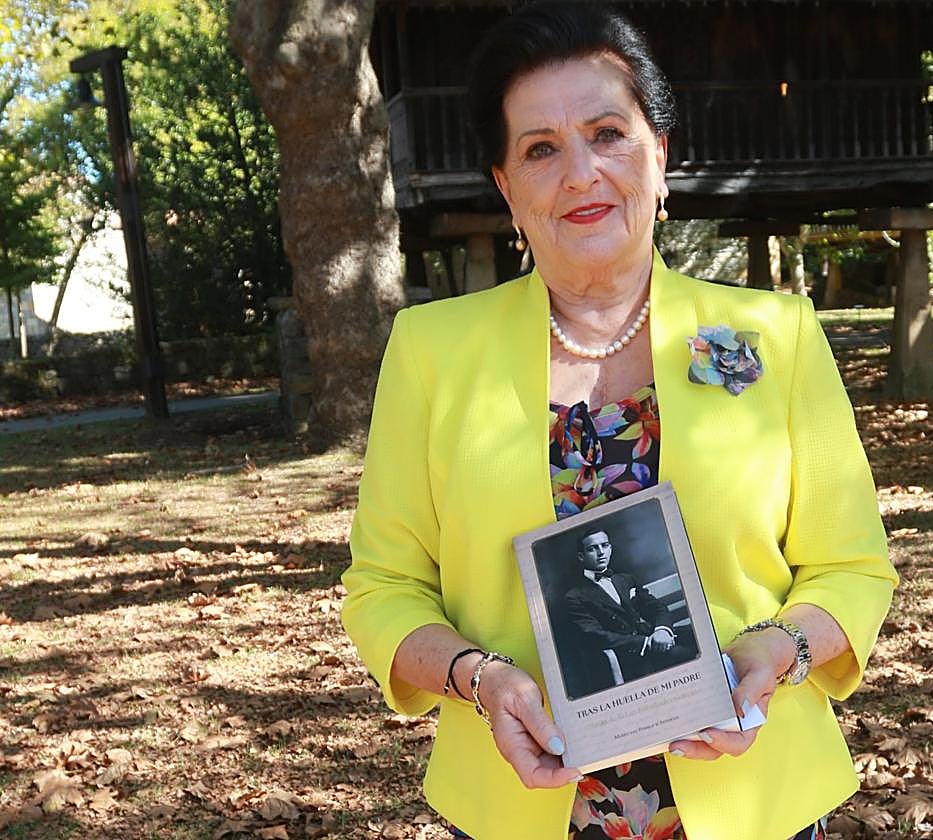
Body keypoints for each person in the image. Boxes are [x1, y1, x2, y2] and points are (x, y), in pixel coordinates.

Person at [340, 2, 898, 838]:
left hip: (751, 798)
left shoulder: (775, 337)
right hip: (520, 801)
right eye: (540, 149)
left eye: (609, 133)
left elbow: (852, 569)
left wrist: (775, 652)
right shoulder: (430, 351)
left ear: (660, 153)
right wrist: (480, 679)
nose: (581, 172)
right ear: (505, 187)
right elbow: (383, 588)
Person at [560, 527, 695, 696]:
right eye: (592, 548)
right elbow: (594, 635)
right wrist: (646, 643)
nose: (601, 552)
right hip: (632, 657)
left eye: (605, 545)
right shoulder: (575, 597)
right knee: (686, 655)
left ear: (610, 548)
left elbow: (656, 607)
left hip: (658, 636)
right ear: (581, 556)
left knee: (697, 637)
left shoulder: (625, 579)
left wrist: (662, 631)